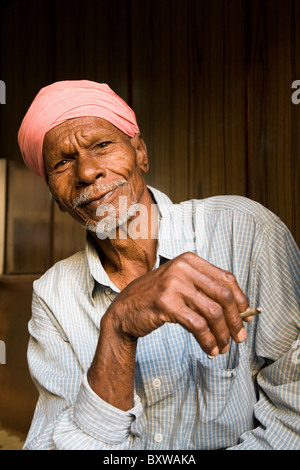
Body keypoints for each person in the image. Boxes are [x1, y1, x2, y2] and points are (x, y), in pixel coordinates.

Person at [18, 80, 300, 450]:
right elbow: (52, 443)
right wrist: (117, 327)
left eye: (102, 145)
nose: (87, 172)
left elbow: (293, 411)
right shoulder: (53, 295)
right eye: (62, 163)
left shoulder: (244, 230)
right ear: (56, 196)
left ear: (140, 153)